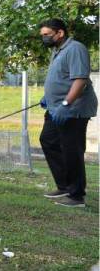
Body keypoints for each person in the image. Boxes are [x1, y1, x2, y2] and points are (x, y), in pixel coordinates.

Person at [38, 18, 97, 207]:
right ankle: (64, 185)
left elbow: (80, 80)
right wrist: (48, 96)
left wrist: (65, 103)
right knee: (48, 140)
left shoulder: (75, 49)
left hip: (72, 110)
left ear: (60, 33)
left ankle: (77, 195)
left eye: (46, 35)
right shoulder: (57, 51)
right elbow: (61, 78)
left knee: (72, 150)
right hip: (55, 108)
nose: (44, 39)